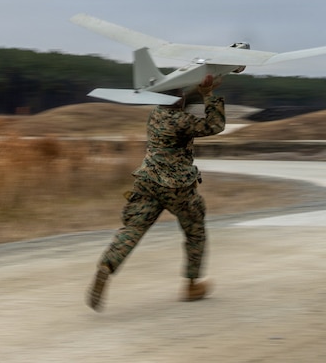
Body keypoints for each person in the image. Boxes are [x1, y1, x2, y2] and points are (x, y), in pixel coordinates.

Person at [87, 74, 226, 311]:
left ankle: (106, 268)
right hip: (177, 187)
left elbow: (180, 102)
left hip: (147, 182)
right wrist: (209, 95)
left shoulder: (155, 115)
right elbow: (215, 125)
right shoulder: (182, 121)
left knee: (132, 229)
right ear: (178, 99)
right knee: (195, 231)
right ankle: (192, 284)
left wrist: (202, 89)